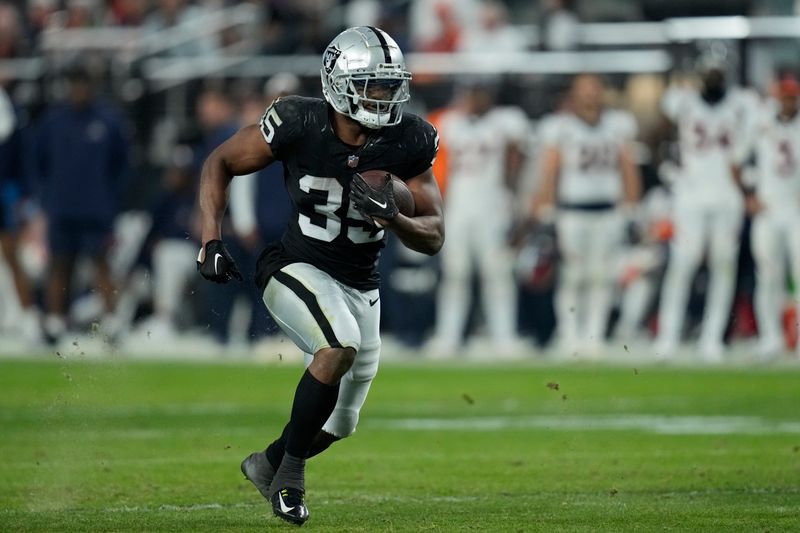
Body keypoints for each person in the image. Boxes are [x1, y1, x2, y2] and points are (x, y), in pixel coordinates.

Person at [195, 27, 443, 524]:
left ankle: (266, 464)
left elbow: (434, 233)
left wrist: (394, 217)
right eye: (372, 84)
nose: (383, 95)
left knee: (340, 424)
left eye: (389, 84)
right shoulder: (297, 120)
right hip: (294, 265)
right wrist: (210, 238)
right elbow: (220, 161)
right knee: (337, 346)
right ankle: (288, 482)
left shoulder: (410, 137)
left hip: (361, 283)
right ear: (337, 82)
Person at [653, 64, 757, 361]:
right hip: (692, 192)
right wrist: (669, 168)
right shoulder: (682, 99)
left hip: (727, 193)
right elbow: (660, 131)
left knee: (723, 265)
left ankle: (713, 338)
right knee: (683, 262)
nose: (713, 76)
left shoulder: (743, 103)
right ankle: (667, 336)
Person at [533, 74, 641, 357]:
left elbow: (628, 167)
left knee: (601, 277)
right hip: (573, 211)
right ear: (574, 94)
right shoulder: (561, 127)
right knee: (572, 276)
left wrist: (632, 206)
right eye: (585, 90)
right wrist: (546, 208)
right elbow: (551, 169)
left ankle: (594, 336)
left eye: (594, 89)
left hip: (607, 210)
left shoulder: (617, 125)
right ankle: (570, 335)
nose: (590, 95)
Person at [430, 80, 528, 355]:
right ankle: (447, 337)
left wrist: (514, 202)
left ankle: (504, 337)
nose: (476, 98)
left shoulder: (504, 122)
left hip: (492, 209)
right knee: (455, 274)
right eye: (472, 91)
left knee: (497, 274)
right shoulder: (449, 122)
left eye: (481, 92)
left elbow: (516, 161)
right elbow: (437, 168)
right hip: (458, 209)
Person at [32, 65, 129, 343]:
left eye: (83, 84)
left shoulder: (108, 121)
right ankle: (54, 321)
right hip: (62, 206)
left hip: (96, 208)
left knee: (101, 264)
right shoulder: (53, 121)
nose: (79, 90)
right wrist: (46, 198)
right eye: (74, 84)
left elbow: (122, 165)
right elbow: (38, 163)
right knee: (60, 264)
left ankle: (111, 321)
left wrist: (111, 199)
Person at [747, 76, 800, 357]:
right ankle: (770, 337)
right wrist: (750, 196)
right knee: (768, 275)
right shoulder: (760, 122)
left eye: (793, 97)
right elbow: (739, 159)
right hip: (768, 208)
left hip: (796, 209)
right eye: (785, 96)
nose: (789, 102)